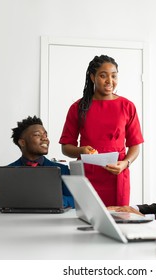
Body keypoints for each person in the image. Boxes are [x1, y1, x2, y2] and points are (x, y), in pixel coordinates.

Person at [59, 55, 144, 207]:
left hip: (117, 175)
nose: (109, 81)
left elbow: (135, 145)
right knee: (85, 222)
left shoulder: (127, 106)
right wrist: (82, 150)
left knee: (118, 220)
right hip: (87, 176)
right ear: (92, 77)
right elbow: (66, 147)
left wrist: (125, 163)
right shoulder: (78, 107)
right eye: (103, 76)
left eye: (114, 76)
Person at [0, 116, 74, 210]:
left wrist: (61, 200)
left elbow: (77, 203)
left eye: (45, 135)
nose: (44, 138)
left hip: (51, 223)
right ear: (22, 142)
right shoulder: (3, 175)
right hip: (15, 223)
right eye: (37, 135)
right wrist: (11, 200)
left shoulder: (63, 170)